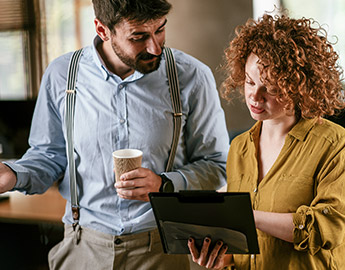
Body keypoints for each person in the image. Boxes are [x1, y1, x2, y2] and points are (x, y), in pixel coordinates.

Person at [0, 0, 229, 269]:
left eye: (160, 30)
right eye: (139, 37)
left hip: (162, 249)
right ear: (101, 29)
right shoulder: (62, 75)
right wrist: (13, 174)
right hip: (82, 249)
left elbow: (217, 165)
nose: (155, 47)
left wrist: (164, 184)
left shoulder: (191, 76)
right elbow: (49, 156)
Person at [188, 14, 345, 270]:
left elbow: (327, 229)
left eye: (271, 88)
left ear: (298, 86)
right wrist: (222, 259)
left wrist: (247, 217)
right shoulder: (240, 147)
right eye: (249, 81)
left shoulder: (332, 142)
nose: (254, 96)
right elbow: (243, 245)